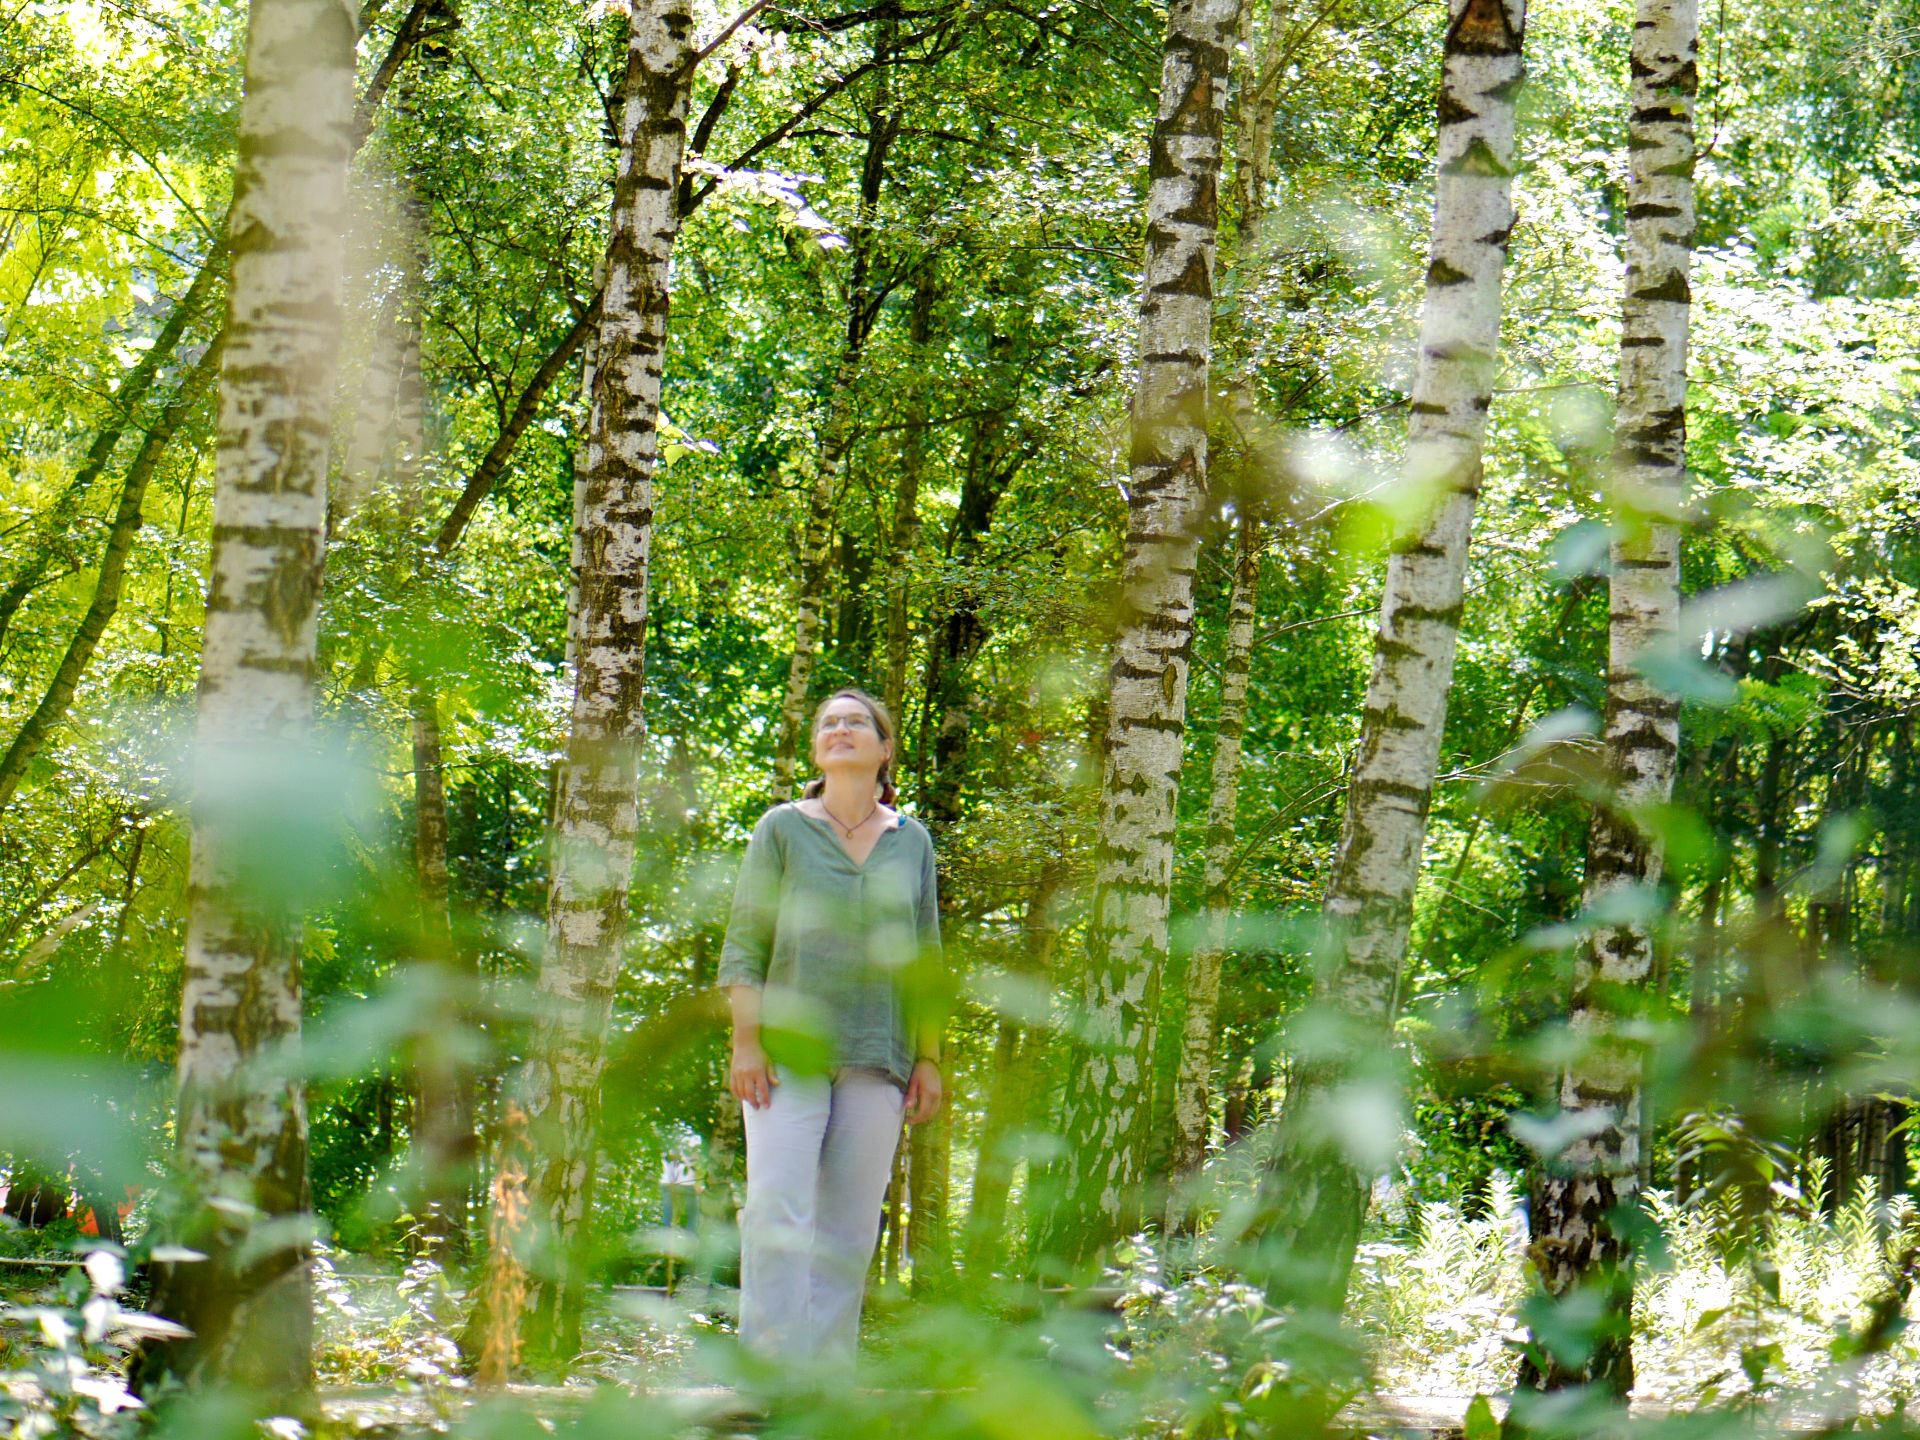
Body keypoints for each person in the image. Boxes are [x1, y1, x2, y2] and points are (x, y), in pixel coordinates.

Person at [716, 687, 945, 1371]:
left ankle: (824, 1387)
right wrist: (745, 1041)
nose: (840, 729)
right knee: (778, 1213)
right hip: (787, 1051)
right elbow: (745, 943)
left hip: (882, 1054)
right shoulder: (782, 828)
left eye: (856, 722)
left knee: (847, 1230)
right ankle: (768, 1376)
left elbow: (926, 956)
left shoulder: (913, 841)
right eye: (828, 723)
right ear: (817, 748)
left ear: (884, 748)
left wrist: (930, 1059)